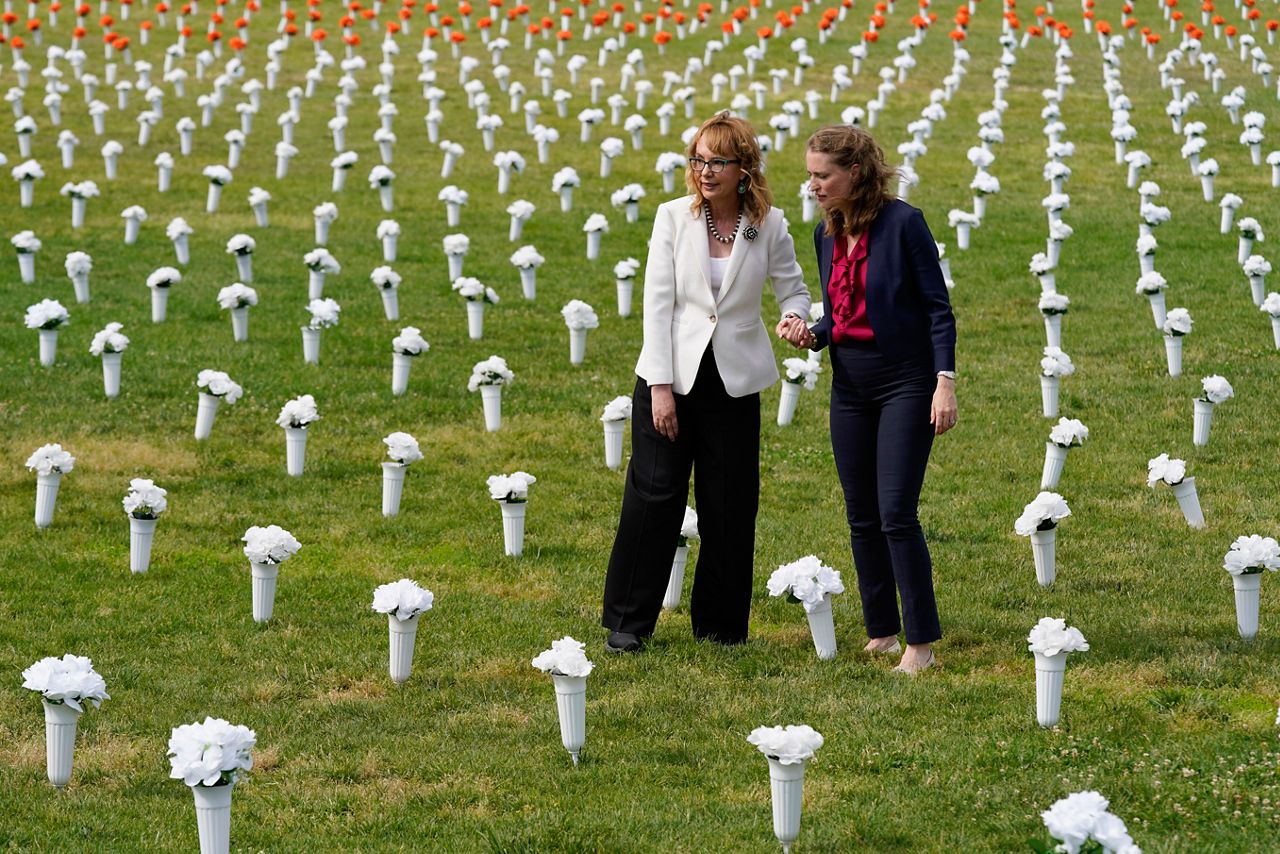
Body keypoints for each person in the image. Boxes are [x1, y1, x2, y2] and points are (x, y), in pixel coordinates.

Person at [601, 112, 812, 652]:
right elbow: (657, 306)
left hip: (735, 382)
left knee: (730, 503)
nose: (705, 170)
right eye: (698, 159)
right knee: (653, 495)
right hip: (670, 374)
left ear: (745, 168)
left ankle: (721, 627)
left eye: (718, 161)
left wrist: (795, 318)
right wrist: (662, 388)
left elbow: (794, 290)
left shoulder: (769, 224)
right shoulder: (672, 218)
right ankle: (628, 623)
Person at [790, 125, 958, 674]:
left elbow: (938, 308)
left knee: (895, 514)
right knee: (860, 514)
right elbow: (839, 317)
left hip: (906, 383)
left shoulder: (904, 224)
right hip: (850, 387)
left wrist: (944, 380)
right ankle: (882, 629)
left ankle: (922, 641)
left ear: (855, 173)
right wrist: (810, 333)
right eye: (811, 174)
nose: (812, 184)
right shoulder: (826, 233)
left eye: (822, 175)